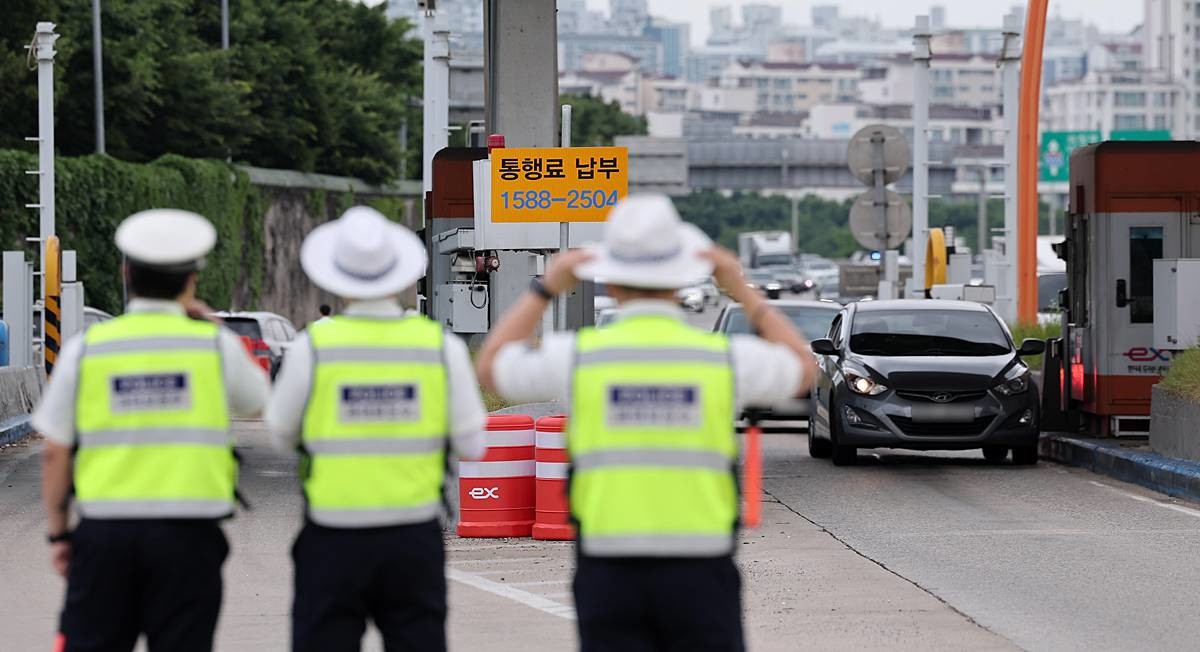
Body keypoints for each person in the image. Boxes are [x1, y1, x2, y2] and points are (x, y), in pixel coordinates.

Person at [476, 193, 816, 651]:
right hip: (700, 565)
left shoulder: (580, 356)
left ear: (610, 282)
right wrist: (740, 288)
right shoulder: (722, 359)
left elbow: (491, 366)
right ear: (681, 280)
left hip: (609, 566)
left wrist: (546, 288)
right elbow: (805, 369)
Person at [36, 209, 271, 652]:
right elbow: (258, 401)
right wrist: (216, 328)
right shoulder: (213, 345)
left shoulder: (87, 351)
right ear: (192, 279)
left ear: (126, 272)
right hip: (190, 539)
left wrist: (60, 534)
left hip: (105, 538)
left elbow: (55, 452)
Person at [266, 206, 487, 652]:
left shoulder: (314, 345)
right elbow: (472, 442)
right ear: (399, 274)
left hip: (332, 535)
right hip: (412, 535)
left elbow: (279, 433)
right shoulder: (439, 347)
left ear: (337, 277)